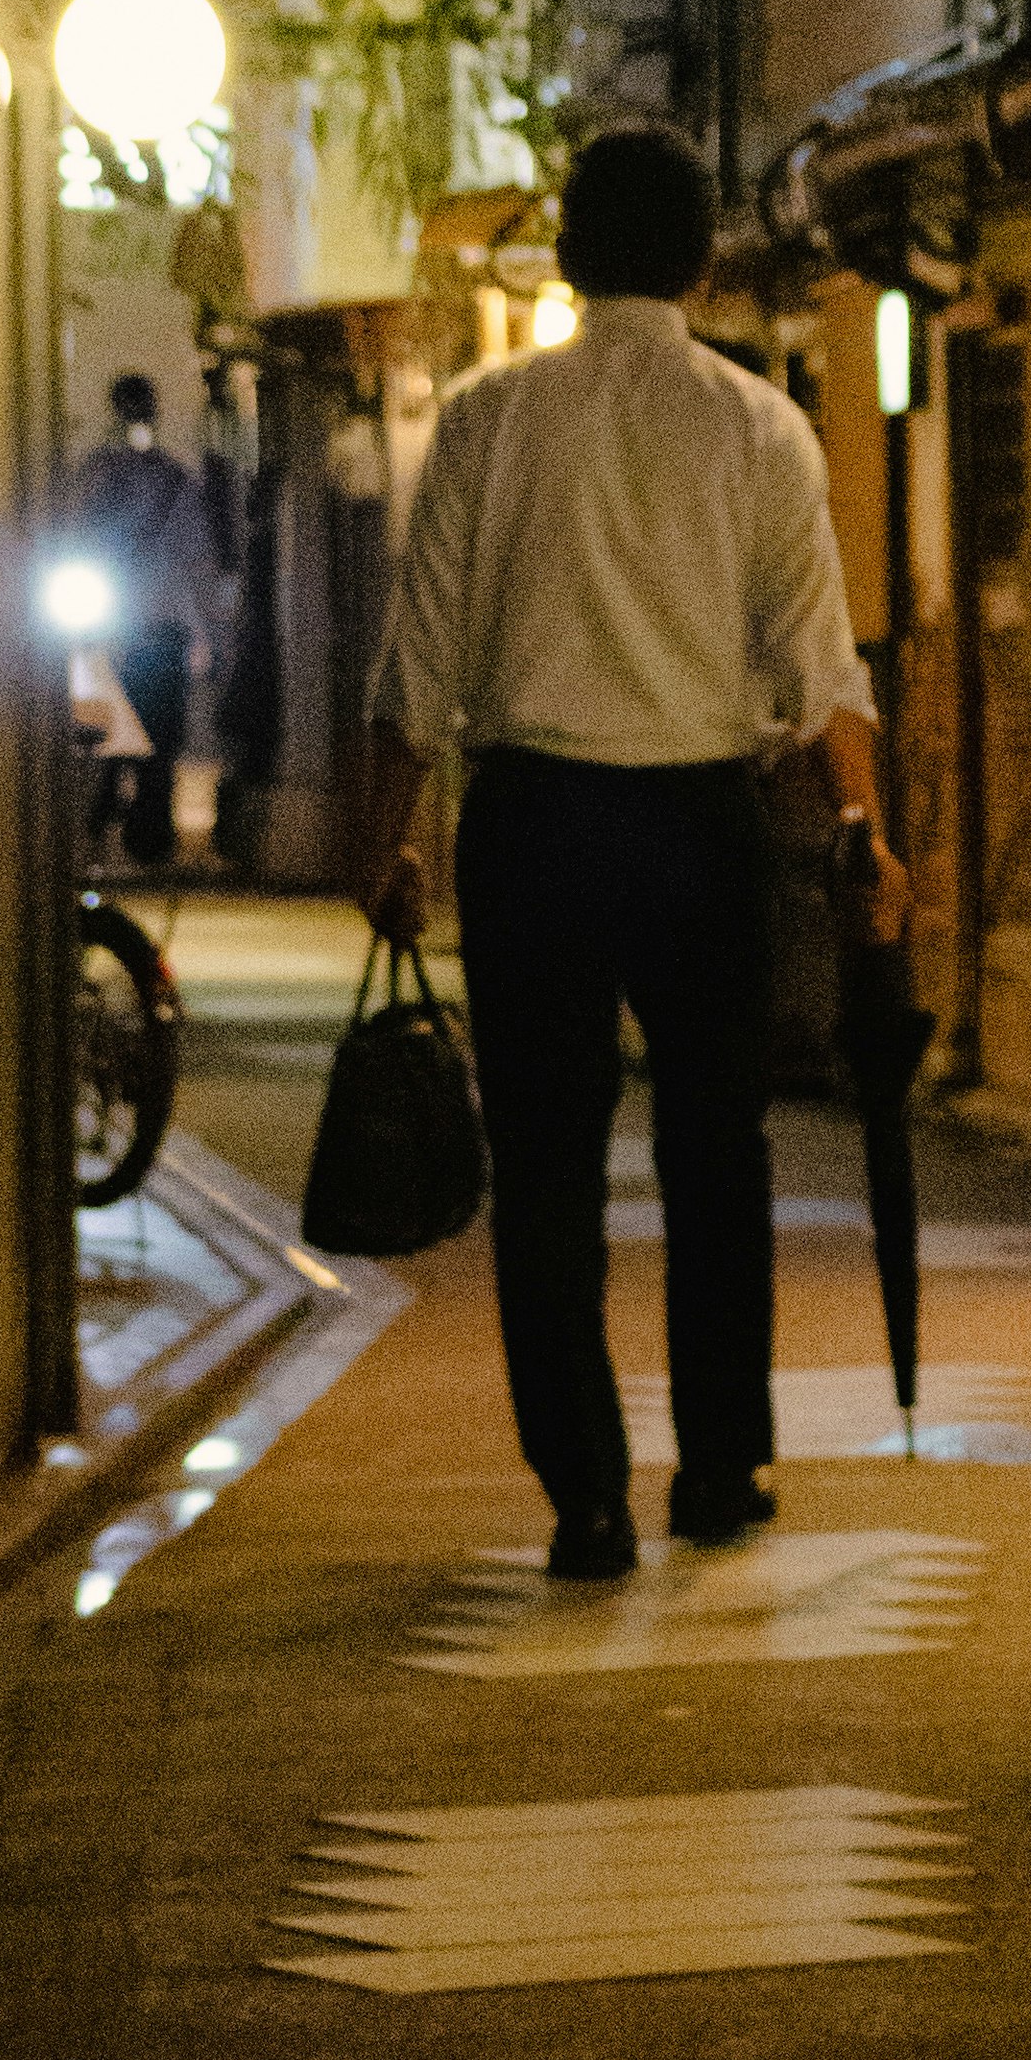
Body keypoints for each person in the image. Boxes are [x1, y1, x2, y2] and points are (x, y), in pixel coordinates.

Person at [356, 121, 907, 1581]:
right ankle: (720, 1470)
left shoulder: (485, 420)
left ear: (569, 256)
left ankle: (586, 1499)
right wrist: (866, 834)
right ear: (705, 258)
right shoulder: (759, 425)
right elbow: (819, 670)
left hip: (533, 823)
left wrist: (388, 845)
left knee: (546, 1167)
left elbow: (422, 665)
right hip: (700, 827)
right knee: (715, 1156)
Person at [69, 370, 225, 871]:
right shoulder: (175, 481)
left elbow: (71, 538)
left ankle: (97, 834)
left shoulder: (94, 476)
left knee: (110, 739)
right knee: (153, 739)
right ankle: (145, 841)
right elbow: (197, 561)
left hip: (109, 630)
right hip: (155, 629)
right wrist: (210, 631)